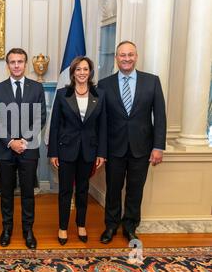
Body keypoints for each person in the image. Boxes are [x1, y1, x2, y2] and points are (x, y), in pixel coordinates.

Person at [98, 41, 166, 244]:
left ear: (136, 57)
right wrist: (101, 149)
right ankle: (110, 226)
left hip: (142, 148)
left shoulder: (152, 81)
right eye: (122, 55)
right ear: (116, 58)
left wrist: (158, 146)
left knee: (135, 190)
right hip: (114, 148)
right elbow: (101, 121)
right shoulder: (104, 84)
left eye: (130, 55)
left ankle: (130, 227)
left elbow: (160, 116)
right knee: (113, 189)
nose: (126, 59)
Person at [0, 48, 47, 249]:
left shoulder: (36, 88)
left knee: (28, 192)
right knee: (6, 193)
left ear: (25, 64)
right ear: (8, 65)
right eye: (12, 62)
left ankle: (28, 230)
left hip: (29, 149)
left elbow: (41, 117)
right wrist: (11, 141)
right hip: (5, 150)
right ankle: (7, 229)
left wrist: (25, 140)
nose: (16, 65)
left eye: (20, 61)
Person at [48, 56, 107, 245]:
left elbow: (103, 127)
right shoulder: (62, 94)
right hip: (66, 151)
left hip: (89, 151)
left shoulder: (99, 95)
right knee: (65, 191)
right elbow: (55, 126)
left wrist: (101, 153)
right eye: (78, 69)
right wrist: (53, 153)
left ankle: (81, 225)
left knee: (83, 190)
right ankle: (63, 227)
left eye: (85, 69)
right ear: (73, 72)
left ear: (90, 72)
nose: (82, 73)